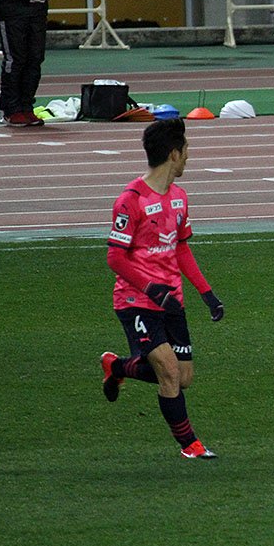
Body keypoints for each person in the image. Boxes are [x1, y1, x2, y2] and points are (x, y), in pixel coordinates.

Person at [100, 119, 225, 459]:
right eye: (186, 150)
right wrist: (151, 288)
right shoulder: (130, 200)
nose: (188, 156)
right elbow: (115, 257)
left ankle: (117, 367)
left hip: (172, 301)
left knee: (182, 378)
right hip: (136, 300)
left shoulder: (180, 198)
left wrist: (207, 293)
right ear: (173, 154)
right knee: (168, 372)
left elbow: (180, 248)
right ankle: (191, 446)